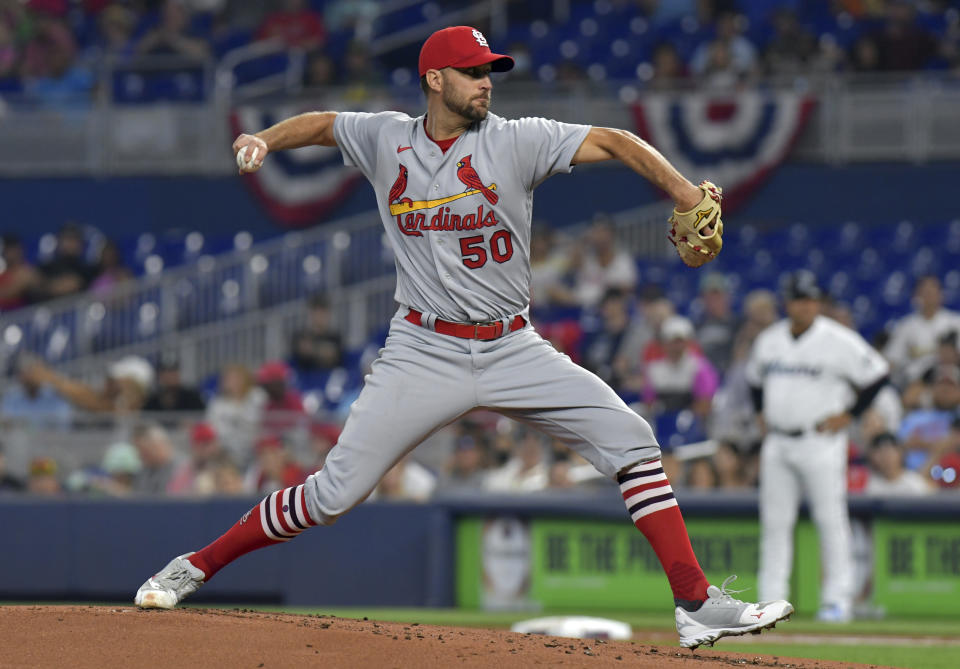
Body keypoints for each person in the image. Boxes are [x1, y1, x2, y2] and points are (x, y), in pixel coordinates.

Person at [134, 25, 792, 649]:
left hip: (512, 344)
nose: (486, 82)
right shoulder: (386, 138)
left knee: (632, 439)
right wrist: (265, 138)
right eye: (473, 72)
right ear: (435, 79)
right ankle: (193, 564)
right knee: (332, 494)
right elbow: (325, 124)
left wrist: (682, 193)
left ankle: (695, 602)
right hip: (423, 348)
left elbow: (616, 140)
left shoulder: (517, 140)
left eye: (490, 72)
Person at [746, 271, 890, 624]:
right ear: (788, 302)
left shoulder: (838, 339)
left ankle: (837, 599)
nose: (807, 305)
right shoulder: (770, 340)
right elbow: (754, 381)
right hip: (778, 441)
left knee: (830, 520)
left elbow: (878, 374)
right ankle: (771, 601)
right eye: (800, 298)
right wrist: (761, 412)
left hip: (821, 441)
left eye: (812, 299)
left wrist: (851, 415)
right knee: (775, 523)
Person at [883, 275, 960, 387]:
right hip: (916, 384)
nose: (929, 297)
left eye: (932, 292)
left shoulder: (955, 322)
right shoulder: (905, 326)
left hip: (951, 381)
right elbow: (892, 360)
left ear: (941, 294)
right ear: (916, 296)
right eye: (924, 293)